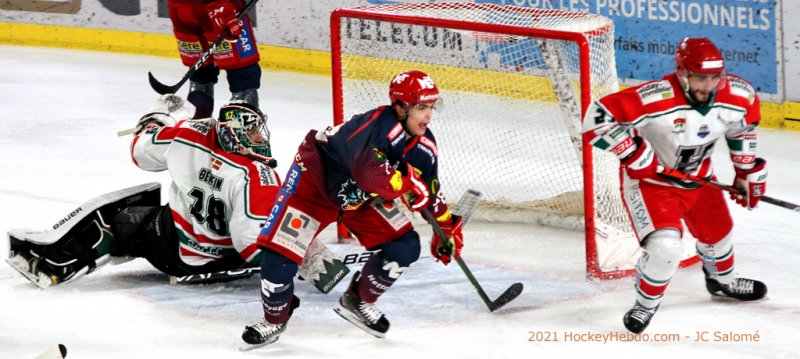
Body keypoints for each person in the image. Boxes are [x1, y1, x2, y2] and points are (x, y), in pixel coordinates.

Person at [240, 70, 465, 346]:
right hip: (315, 184)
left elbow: (430, 186)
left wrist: (445, 226)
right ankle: (274, 320)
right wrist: (407, 183)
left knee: (405, 246)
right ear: (399, 107)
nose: (428, 116)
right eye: (420, 107)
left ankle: (357, 301)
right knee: (279, 257)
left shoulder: (424, 146)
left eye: (431, 106)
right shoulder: (377, 127)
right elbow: (369, 175)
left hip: (358, 198)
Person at [582, 37, 768, 334]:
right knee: (665, 247)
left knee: (719, 234)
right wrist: (631, 152)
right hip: (653, 185)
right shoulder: (655, 98)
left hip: (701, 180)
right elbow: (595, 119)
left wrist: (745, 171)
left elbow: (741, 130)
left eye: (715, 77)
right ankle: (645, 304)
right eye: (700, 78)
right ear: (682, 74)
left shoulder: (737, 94)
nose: (708, 86)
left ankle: (722, 282)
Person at [7, 94, 279, 287]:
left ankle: (60, 259)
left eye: (258, 130)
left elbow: (141, 153)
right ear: (233, 134)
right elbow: (251, 248)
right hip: (225, 261)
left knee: (122, 214)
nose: (260, 137)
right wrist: (290, 257)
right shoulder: (261, 176)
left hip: (172, 251)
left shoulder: (188, 133)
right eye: (252, 131)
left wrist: (156, 119)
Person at [168, 0, 262, 118]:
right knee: (243, 77)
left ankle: (196, 126)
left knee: (201, 76)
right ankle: (237, 127)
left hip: (179, 9)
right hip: (219, 8)